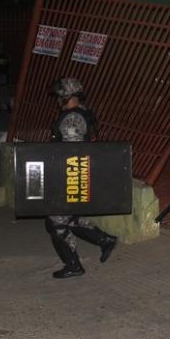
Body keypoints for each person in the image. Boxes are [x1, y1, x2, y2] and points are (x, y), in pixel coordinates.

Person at [44, 77, 117, 279]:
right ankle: (105, 240)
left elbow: (71, 154)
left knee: (56, 223)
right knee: (71, 218)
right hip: (77, 175)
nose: (57, 100)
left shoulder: (72, 120)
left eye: (59, 96)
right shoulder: (82, 112)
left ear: (67, 96)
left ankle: (74, 265)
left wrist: (58, 179)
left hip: (72, 176)